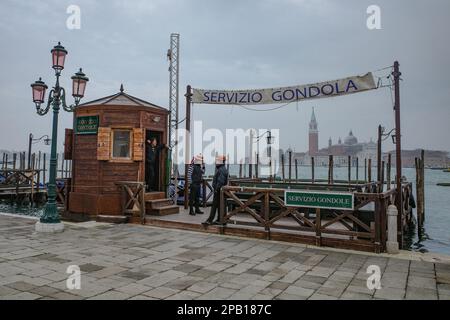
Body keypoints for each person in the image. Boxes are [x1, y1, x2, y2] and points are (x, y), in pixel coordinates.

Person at [203, 155, 228, 226]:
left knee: (214, 206)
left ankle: (210, 220)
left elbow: (220, 181)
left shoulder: (221, 169)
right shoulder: (221, 169)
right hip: (220, 191)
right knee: (219, 206)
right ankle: (220, 219)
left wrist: (216, 189)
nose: (216, 162)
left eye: (217, 161)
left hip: (219, 191)